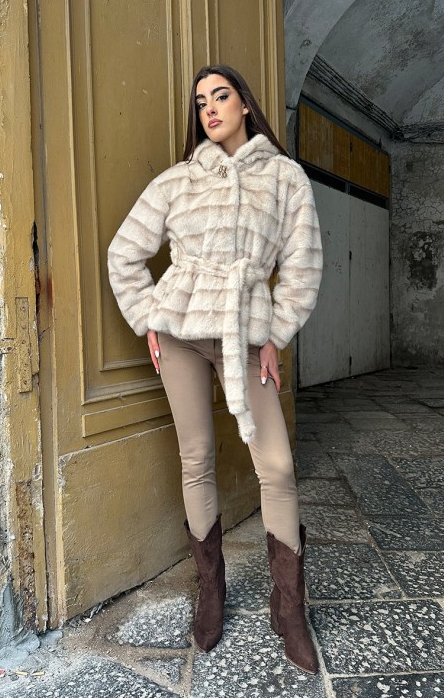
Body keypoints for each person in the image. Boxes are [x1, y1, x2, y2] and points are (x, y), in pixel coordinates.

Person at [108, 65, 323, 674]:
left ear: (245, 105)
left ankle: (289, 608)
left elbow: (303, 266)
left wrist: (275, 334)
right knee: (196, 457)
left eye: (221, 96)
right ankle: (211, 591)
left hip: (243, 334)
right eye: (200, 100)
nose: (209, 108)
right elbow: (124, 253)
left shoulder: (285, 178)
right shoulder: (176, 180)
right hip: (180, 332)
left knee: (276, 466)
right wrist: (149, 316)